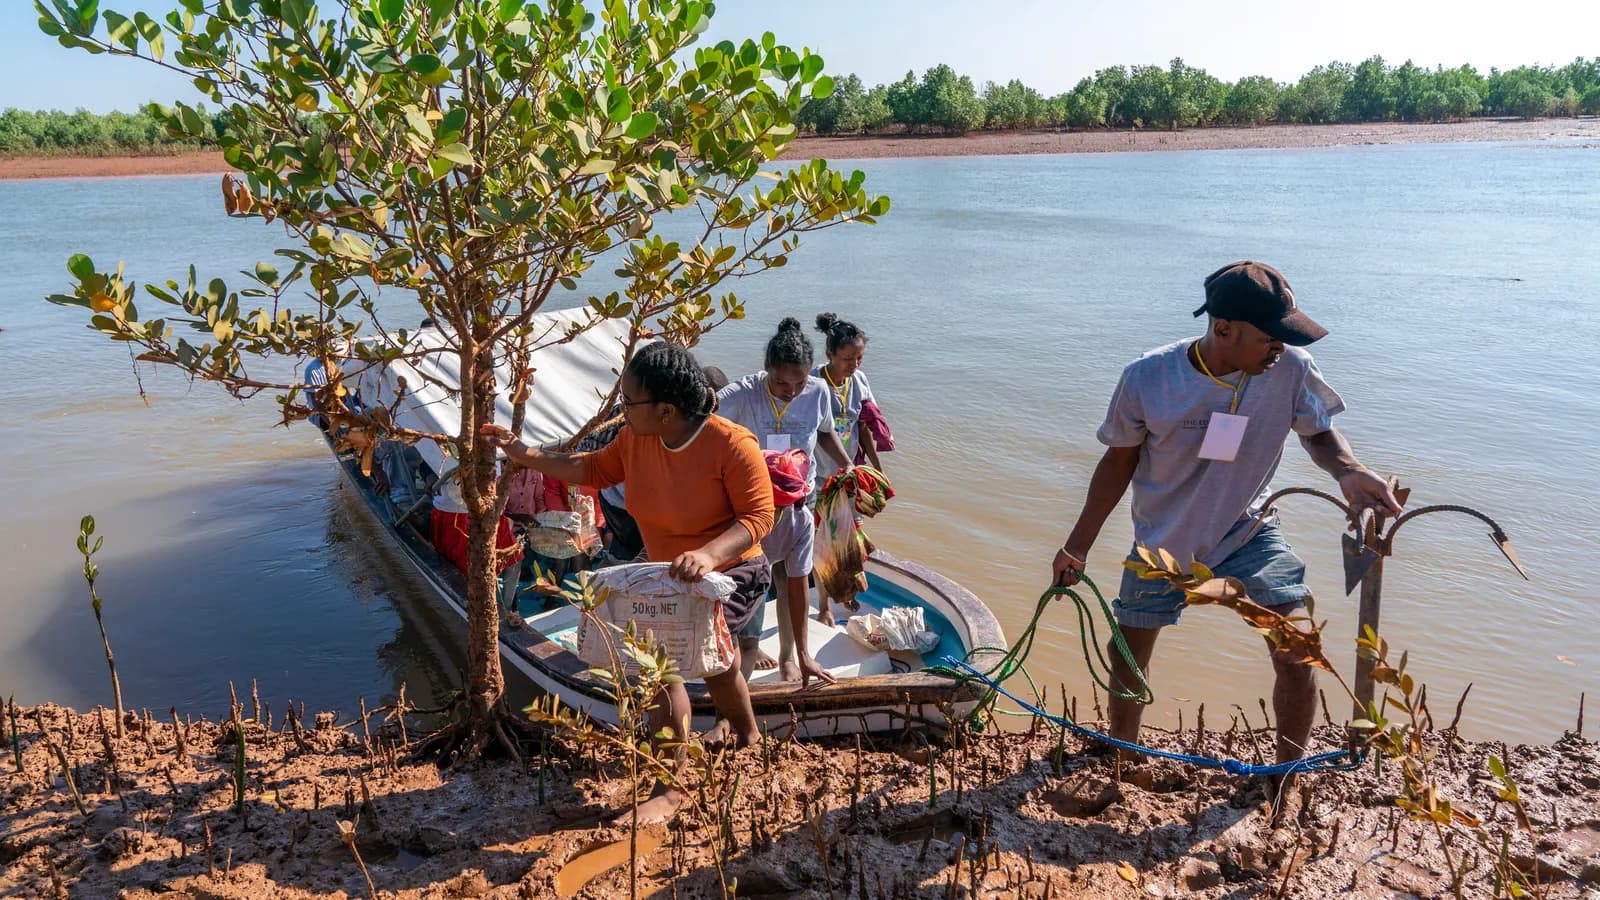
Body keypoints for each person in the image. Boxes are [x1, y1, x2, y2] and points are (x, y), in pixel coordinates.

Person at [1050, 261, 1402, 796]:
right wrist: (1076, 548)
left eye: (1284, 338)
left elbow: (1319, 433)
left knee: (1298, 646)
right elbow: (1117, 464)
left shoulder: (1291, 369)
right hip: (1163, 541)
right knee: (1130, 649)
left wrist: (1348, 470)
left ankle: (1283, 775)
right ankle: (1123, 756)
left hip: (1250, 530)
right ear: (1223, 330)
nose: (1278, 349)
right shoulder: (1148, 378)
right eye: (1269, 338)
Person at [479, 340, 774, 824]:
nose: (621, 410)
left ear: (666, 410)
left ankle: (672, 787)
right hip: (663, 567)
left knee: (672, 666)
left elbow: (759, 517)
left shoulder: (731, 444)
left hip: (730, 568)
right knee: (707, 664)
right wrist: (525, 454)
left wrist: (707, 554)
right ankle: (746, 738)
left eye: (629, 402)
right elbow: (590, 469)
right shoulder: (637, 438)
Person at [716, 319, 852, 686]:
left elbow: (824, 434)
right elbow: (703, 414)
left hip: (797, 506)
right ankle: (747, 648)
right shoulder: (744, 392)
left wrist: (848, 465)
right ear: (767, 370)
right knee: (754, 583)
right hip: (752, 512)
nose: (791, 391)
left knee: (795, 581)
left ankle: (790, 656)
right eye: (781, 383)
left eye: (799, 383)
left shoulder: (819, 391)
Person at [813, 313, 883, 479]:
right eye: (848, 359)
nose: (855, 364)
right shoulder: (812, 383)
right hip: (816, 475)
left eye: (860, 358)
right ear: (829, 353)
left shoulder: (859, 380)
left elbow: (862, 427)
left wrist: (879, 471)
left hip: (847, 473)